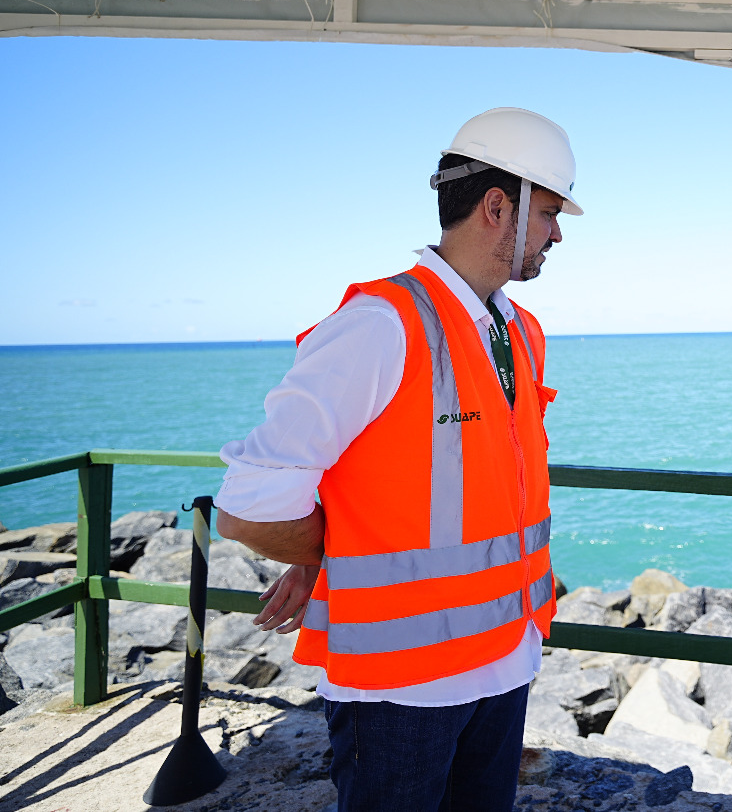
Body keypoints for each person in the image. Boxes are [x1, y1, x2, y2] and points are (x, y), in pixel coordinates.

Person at [213, 107, 581, 812]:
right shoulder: (379, 326)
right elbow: (249, 508)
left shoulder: (520, 332)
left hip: (507, 661)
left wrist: (327, 550)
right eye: (549, 214)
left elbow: (437, 481)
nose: (557, 234)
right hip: (401, 692)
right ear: (498, 207)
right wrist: (332, 552)